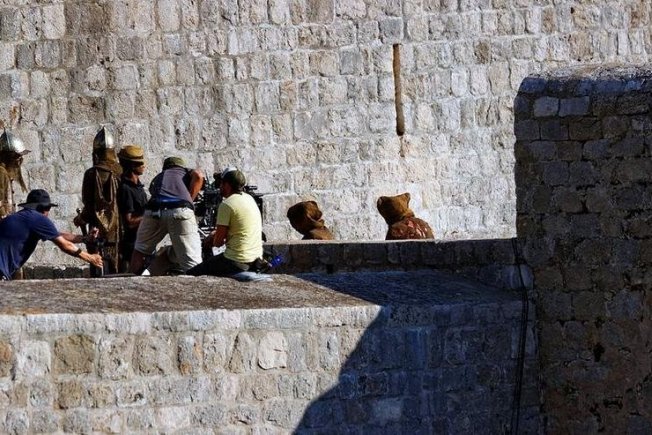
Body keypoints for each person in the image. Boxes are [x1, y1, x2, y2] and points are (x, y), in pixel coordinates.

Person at [0, 189, 103, 280]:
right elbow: (65, 245)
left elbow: (57, 235)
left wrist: (85, 238)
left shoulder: (21, 217)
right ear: (45, 209)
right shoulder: (38, 219)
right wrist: (90, 258)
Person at [129, 156, 204, 275]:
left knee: (140, 250)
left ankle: (133, 278)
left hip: (153, 210)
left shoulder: (158, 177)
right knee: (192, 263)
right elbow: (199, 176)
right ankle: (196, 284)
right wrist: (190, 200)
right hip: (180, 211)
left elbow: (153, 191)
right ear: (181, 166)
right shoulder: (185, 172)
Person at [187, 168, 265, 277]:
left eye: (221, 184)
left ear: (227, 185)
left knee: (191, 274)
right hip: (256, 258)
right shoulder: (249, 199)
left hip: (236, 260)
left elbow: (218, 243)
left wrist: (211, 238)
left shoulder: (227, 204)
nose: (219, 187)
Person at [73, 127, 122, 276]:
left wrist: (81, 218)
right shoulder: (121, 171)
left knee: (99, 267)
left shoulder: (91, 173)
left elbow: (89, 205)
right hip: (120, 228)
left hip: (98, 229)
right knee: (119, 267)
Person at [116, 145, 147, 273]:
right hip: (132, 245)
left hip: (143, 240)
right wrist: (150, 216)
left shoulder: (138, 187)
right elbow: (129, 222)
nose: (144, 166)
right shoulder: (126, 189)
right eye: (141, 163)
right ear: (133, 166)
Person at [0, 129, 30, 219]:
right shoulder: (1, 172)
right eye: (17, 156)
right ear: (8, 157)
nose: (19, 160)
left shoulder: (5, 172)